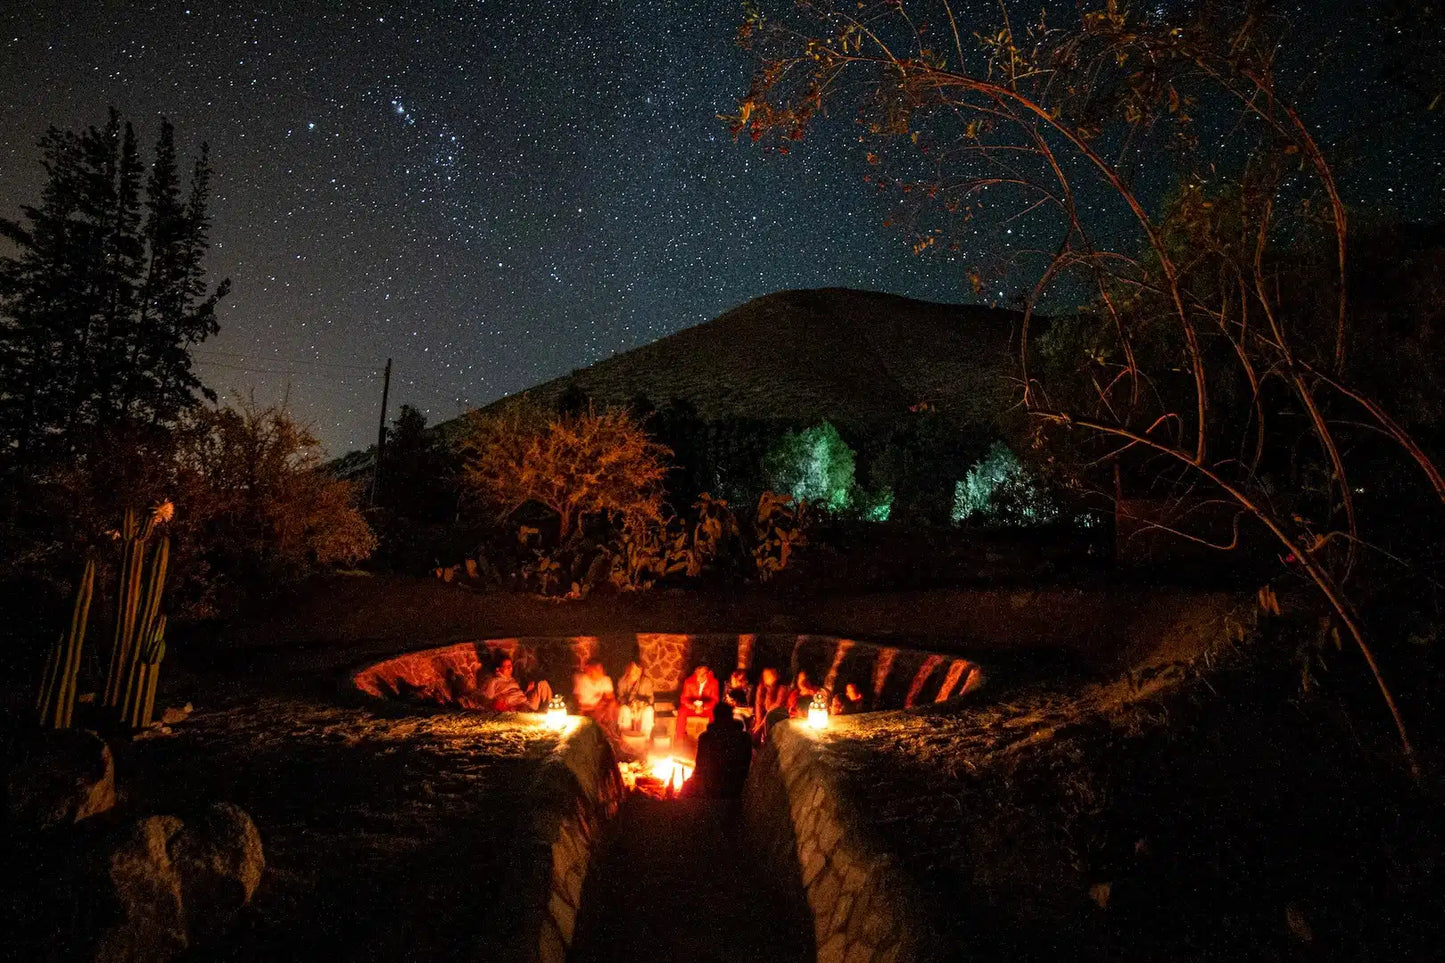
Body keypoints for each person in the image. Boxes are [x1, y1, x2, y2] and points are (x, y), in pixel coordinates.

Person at [682, 701, 752, 799]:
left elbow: (700, 765)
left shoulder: (705, 738)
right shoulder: (744, 738)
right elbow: (747, 764)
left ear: (715, 716)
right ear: (731, 716)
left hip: (712, 789)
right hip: (737, 788)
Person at [573, 657, 622, 747]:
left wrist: (606, 708)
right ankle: (609, 739)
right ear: (590, 670)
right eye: (597, 669)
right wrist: (596, 708)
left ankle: (613, 734)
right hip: (586, 710)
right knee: (598, 719)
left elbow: (611, 698)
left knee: (614, 707)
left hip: (599, 708)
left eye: (601, 669)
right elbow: (580, 705)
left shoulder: (605, 680)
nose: (601, 672)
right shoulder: (582, 680)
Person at [481, 655, 552, 711]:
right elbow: (488, 698)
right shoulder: (493, 681)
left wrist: (527, 691)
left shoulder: (512, 679)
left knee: (543, 683)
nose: (510, 669)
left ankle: (550, 707)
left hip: (526, 702)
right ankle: (539, 711)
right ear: (498, 669)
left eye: (510, 666)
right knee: (524, 708)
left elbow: (517, 694)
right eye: (507, 666)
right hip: (516, 707)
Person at [675, 664, 719, 743]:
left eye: (702, 674)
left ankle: (711, 740)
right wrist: (693, 706)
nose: (698, 677)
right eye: (697, 673)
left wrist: (704, 706)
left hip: (705, 708)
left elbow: (714, 700)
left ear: (707, 674)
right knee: (682, 711)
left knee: (713, 714)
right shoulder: (689, 681)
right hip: (692, 707)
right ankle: (679, 738)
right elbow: (684, 698)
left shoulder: (713, 683)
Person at [616, 659, 655, 735]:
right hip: (628, 706)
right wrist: (630, 705)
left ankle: (644, 736)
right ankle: (626, 736)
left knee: (649, 711)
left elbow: (650, 699)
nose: (636, 672)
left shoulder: (646, 682)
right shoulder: (622, 681)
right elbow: (620, 697)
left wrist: (641, 706)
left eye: (639, 670)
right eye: (634, 669)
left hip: (642, 707)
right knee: (624, 710)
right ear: (629, 669)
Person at [752, 667, 791, 742]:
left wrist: (761, 725)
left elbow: (773, 709)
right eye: (765, 675)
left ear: (777, 676)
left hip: (777, 717)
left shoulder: (782, 688)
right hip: (766, 716)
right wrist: (758, 721)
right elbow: (758, 703)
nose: (767, 677)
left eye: (770, 674)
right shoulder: (762, 687)